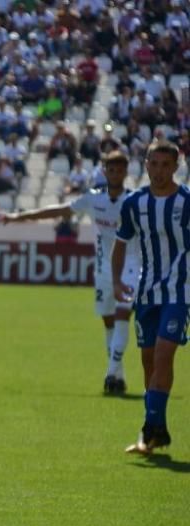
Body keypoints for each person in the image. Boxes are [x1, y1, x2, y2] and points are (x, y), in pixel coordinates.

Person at [0, 151, 137, 394]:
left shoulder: (134, 201)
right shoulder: (93, 199)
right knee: (108, 321)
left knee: (123, 314)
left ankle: (110, 373)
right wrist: (18, 216)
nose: (115, 174)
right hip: (103, 267)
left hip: (130, 266)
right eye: (111, 169)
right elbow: (58, 211)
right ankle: (117, 373)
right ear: (104, 171)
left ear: (126, 172)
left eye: (119, 170)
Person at [113, 140, 189, 455]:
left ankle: (148, 432)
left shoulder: (186, 202)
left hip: (180, 291)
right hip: (146, 292)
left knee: (162, 355)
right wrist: (116, 281)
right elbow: (121, 244)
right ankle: (156, 430)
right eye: (153, 164)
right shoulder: (134, 203)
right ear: (146, 165)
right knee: (147, 361)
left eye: (165, 165)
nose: (159, 170)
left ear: (176, 167)